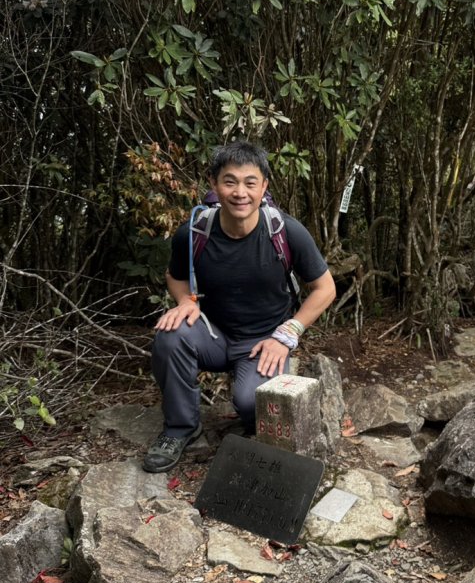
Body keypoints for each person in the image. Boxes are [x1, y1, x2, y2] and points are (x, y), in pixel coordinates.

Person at [143, 140, 336, 473]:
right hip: (212, 334)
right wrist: (186, 301)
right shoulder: (194, 232)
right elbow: (174, 276)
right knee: (170, 334)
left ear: (264, 187)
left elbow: (325, 288)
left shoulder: (284, 231)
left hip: (263, 342)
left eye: (250, 183)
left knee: (253, 406)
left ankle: (250, 402)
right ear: (215, 185)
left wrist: (288, 332)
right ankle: (181, 427)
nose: (240, 192)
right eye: (229, 181)